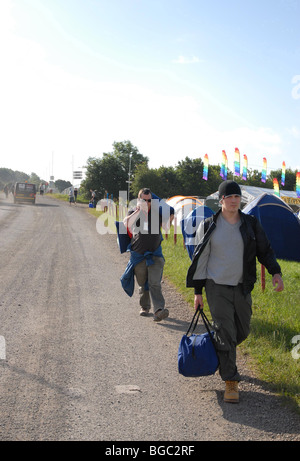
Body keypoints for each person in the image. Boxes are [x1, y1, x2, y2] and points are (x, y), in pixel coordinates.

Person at [186, 180, 284, 403]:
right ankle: (231, 380)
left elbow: (264, 250)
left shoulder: (250, 224)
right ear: (221, 200)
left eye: (236, 197)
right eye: (229, 197)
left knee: (243, 329)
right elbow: (200, 260)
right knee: (226, 331)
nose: (233, 201)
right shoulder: (209, 225)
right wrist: (198, 291)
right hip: (215, 286)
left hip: (242, 286)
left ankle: (219, 348)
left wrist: (275, 273)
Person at [123, 188, 174, 321]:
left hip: (155, 254)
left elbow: (166, 227)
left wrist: (171, 216)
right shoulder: (133, 211)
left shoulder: (157, 213)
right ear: (138, 200)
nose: (146, 202)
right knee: (142, 283)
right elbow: (126, 224)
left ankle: (158, 310)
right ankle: (145, 306)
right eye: (143, 200)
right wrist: (139, 210)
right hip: (139, 255)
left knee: (154, 283)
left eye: (149, 200)